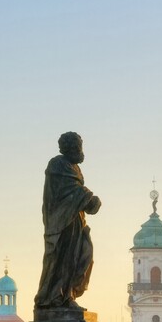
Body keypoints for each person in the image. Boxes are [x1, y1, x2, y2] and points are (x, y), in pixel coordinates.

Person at [34, 132, 101, 310]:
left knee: (84, 255)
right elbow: (67, 191)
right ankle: (56, 297)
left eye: (80, 146)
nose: (79, 150)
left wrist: (87, 199)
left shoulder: (74, 167)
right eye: (76, 146)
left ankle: (68, 294)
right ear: (68, 148)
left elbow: (76, 191)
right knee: (64, 259)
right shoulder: (57, 164)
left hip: (76, 221)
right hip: (61, 222)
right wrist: (88, 198)